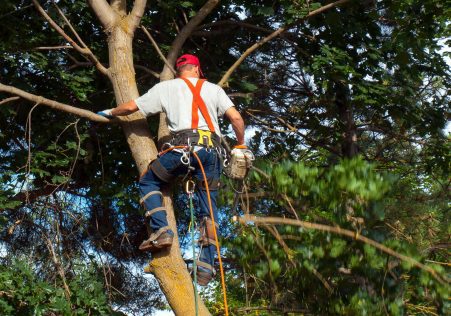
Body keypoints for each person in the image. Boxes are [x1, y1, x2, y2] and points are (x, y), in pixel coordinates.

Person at [97, 54, 249, 286]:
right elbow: (236, 119)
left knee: (149, 181)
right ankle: (206, 267)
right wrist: (240, 144)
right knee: (208, 209)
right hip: (212, 155)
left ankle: (162, 231)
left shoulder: (165, 88)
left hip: (183, 150)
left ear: (179, 71)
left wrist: (109, 112)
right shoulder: (214, 90)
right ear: (197, 70)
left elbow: (130, 107)